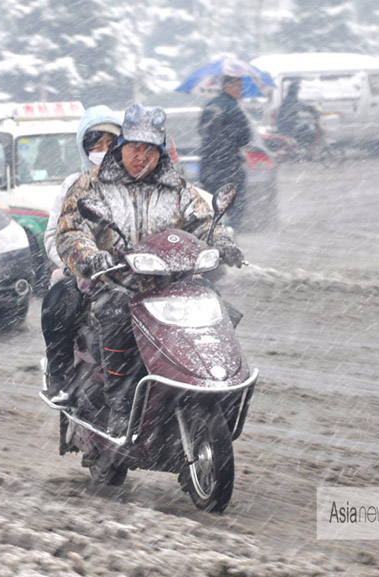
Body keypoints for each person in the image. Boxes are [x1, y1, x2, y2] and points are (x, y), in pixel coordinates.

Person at [55, 104, 244, 437]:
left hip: (174, 286)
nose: (141, 156)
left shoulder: (177, 189)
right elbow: (71, 231)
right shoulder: (91, 186)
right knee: (113, 317)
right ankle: (120, 405)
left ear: (161, 152)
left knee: (219, 310)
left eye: (149, 149)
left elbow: (203, 221)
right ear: (121, 147)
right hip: (117, 285)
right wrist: (90, 257)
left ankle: (218, 385)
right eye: (134, 148)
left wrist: (223, 242)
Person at [41, 106, 122, 405]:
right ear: (84, 150)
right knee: (60, 300)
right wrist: (82, 261)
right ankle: (59, 377)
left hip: (138, 274)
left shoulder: (139, 185)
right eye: (96, 146)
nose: (103, 152)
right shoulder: (74, 186)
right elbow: (54, 237)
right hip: (90, 276)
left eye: (111, 144)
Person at [198, 75, 253, 229]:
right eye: (238, 87)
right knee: (233, 203)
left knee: (209, 202)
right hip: (228, 165)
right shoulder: (233, 108)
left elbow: (201, 131)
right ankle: (229, 233)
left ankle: (210, 232)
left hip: (208, 165)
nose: (240, 91)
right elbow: (244, 138)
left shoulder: (209, 106)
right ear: (228, 87)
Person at [276, 79, 318, 148]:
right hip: (287, 127)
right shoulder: (291, 99)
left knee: (305, 128)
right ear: (294, 90)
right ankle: (303, 148)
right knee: (307, 131)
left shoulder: (289, 98)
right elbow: (300, 106)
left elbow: (299, 105)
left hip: (287, 125)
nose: (298, 91)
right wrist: (313, 109)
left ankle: (303, 147)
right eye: (297, 89)